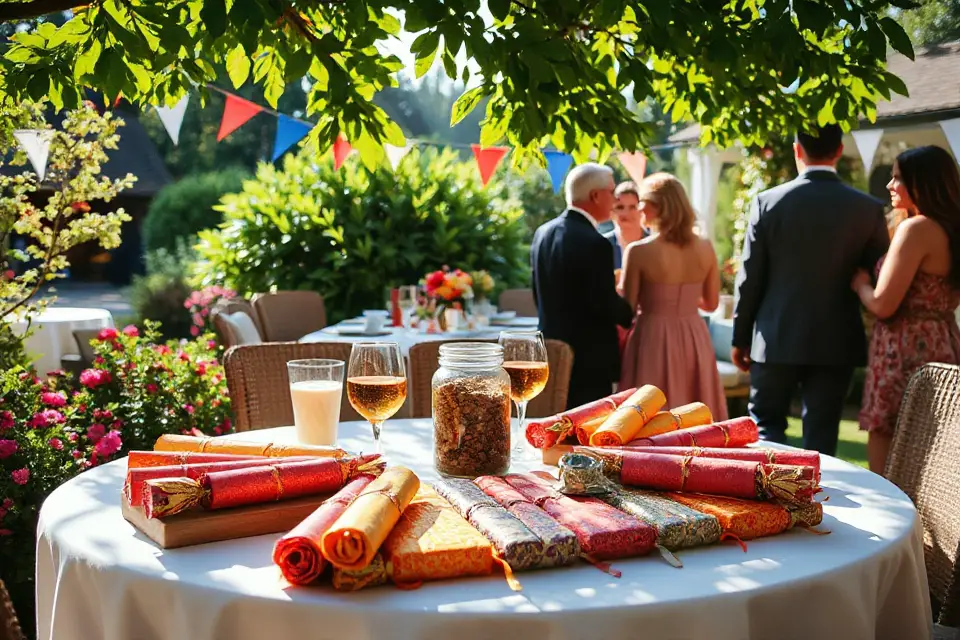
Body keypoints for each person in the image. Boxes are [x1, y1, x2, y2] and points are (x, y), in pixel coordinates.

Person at [732, 124, 889, 455]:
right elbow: (878, 275)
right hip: (836, 339)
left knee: (766, 429)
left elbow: (750, 278)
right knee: (822, 436)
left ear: (796, 150)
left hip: (775, 337)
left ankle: (770, 488)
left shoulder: (767, 203)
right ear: (839, 151)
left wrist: (740, 336)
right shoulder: (867, 209)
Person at [852, 145, 960, 474]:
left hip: (903, 349)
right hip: (944, 342)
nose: (890, 185)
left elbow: (883, 304)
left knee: (885, 442)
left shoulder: (916, 230)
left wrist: (861, 285)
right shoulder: (951, 229)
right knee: (931, 450)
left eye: (898, 177)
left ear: (922, 182)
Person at [618, 173, 728, 420]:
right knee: (695, 409)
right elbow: (711, 304)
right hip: (694, 336)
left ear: (659, 206)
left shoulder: (638, 251)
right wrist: (683, 298)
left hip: (653, 336)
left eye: (643, 202)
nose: (639, 209)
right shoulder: (705, 247)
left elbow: (628, 308)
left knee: (646, 413)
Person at [531, 163, 633, 408]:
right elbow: (603, 303)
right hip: (589, 359)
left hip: (550, 350)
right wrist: (631, 311)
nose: (616, 199)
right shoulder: (595, 243)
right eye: (612, 192)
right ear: (595, 195)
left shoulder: (542, 233)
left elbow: (538, 293)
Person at [604, 181, 648, 270]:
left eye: (632, 207)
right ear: (612, 211)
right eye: (620, 207)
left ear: (641, 210)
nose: (626, 213)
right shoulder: (603, 245)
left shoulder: (654, 244)